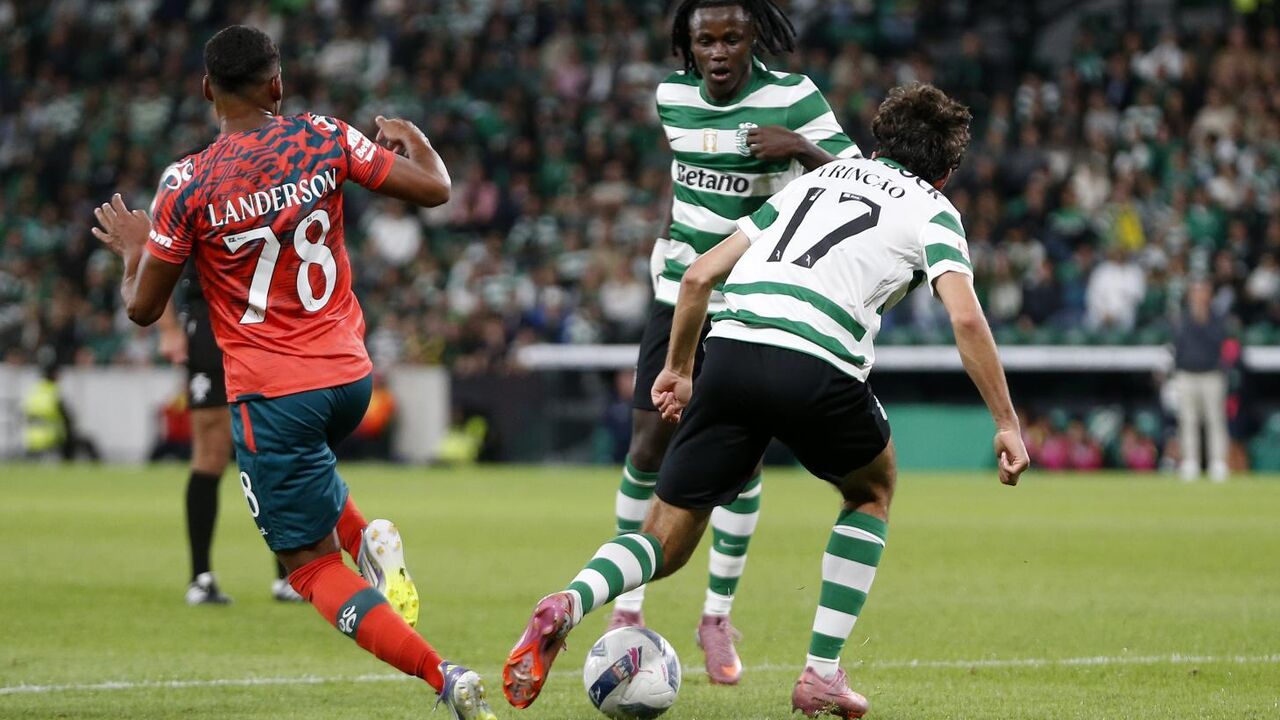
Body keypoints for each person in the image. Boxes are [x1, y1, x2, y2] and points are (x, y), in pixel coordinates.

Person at [503, 84, 1029, 718]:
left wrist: (678, 370)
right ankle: (821, 675)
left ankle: (568, 602)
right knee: (872, 489)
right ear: (944, 173)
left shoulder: (820, 179)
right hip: (817, 365)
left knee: (665, 538)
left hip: (730, 351)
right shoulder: (934, 210)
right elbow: (967, 321)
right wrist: (1005, 422)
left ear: (878, 141)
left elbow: (698, 275)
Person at [90, 25, 495, 720]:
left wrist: (134, 251)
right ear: (277, 85)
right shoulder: (325, 136)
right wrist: (415, 137)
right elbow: (435, 190)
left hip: (273, 393)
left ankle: (443, 676)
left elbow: (141, 308)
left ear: (206, 89)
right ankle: (369, 538)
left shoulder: (188, 184)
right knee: (312, 475)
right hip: (350, 377)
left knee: (307, 568)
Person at [611, 0, 862, 685]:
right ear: (688, 44)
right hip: (677, 292)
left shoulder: (793, 96)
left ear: (755, 38)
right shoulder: (670, 97)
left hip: (751, 302)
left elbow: (860, 181)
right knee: (645, 447)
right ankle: (626, 609)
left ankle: (716, 616)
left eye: (732, 37)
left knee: (741, 467)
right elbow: (686, 188)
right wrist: (674, 246)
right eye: (706, 40)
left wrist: (800, 148)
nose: (719, 52)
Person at [154, 263, 300, 605]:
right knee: (211, 453)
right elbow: (157, 258)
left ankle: (290, 574)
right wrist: (169, 327)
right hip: (211, 324)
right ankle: (201, 577)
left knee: (275, 450)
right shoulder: (185, 205)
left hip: (267, 324)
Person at [1172, 279, 1229, 482]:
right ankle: (1190, 462)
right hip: (1187, 374)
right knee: (1188, 421)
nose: (1200, 296)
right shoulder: (1183, 318)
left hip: (1211, 374)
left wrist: (1203, 318)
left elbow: (1220, 342)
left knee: (1215, 420)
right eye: (1196, 292)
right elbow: (1177, 346)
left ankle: (1218, 462)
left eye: (1203, 291)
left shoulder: (1217, 317)